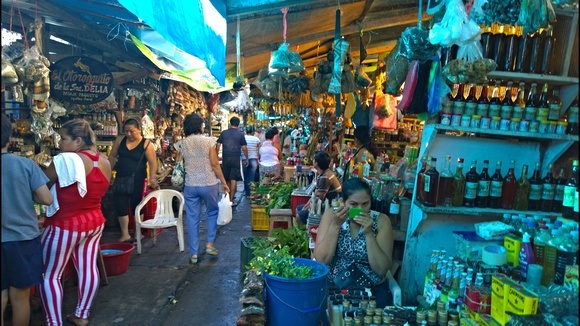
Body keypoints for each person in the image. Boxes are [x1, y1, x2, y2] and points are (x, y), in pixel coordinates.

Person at [40, 119, 112, 326]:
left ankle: (54, 322)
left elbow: (42, 187)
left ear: (78, 140)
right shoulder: (104, 161)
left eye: (63, 139)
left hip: (65, 224)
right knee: (88, 267)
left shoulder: (66, 159)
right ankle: (82, 315)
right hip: (94, 221)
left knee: (50, 275)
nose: (59, 143)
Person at [1, 114, 53, 326]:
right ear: (9, 136)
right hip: (22, 239)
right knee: (20, 296)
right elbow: (47, 199)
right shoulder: (25, 165)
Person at [313, 178, 394, 307]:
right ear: (343, 202)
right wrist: (335, 225)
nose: (360, 209)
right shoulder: (331, 216)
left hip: (371, 290)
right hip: (335, 288)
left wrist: (369, 233)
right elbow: (322, 259)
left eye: (365, 204)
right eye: (354, 204)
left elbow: (381, 269)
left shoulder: (381, 221)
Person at [174, 114, 230, 264]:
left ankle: (193, 253)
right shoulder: (209, 142)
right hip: (208, 184)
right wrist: (224, 182)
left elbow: (179, 163)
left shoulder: (182, 144)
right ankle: (210, 243)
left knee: (192, 218)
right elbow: (215, 164)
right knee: (212, 212)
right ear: (199, 126)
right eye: (203, 124)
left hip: (191, 185)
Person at [108, 117, 158, 243]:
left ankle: (138, 232)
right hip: (121, 177)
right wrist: (108, 173)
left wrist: (152, 178)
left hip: (138, 179)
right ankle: (125, 234)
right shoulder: (120, 140)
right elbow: (112, 156)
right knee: (121, 204)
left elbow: (153, 163)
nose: (129, 134)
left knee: (137, 204)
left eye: (132, 131)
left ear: (139, 130)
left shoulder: (147, 145)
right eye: (126, 131)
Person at [296, 151, 342, 225]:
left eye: (314, 160)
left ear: (316, 163)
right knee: (299, 209)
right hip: (323, 203)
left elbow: (318, 199)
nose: (313, 161)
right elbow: (316, 195)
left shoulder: (325, 177)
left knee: (299, 216)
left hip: (328, 207)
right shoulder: (325, 173)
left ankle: (306, 231)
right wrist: (305, 206)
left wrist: (306, 208)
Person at [216, 117, 248, 204]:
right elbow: (244, 148)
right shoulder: (240, 134)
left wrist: (215, 155)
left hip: (226, 157)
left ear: (230, 123)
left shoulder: (224, 133)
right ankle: (231, 200)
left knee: (226, 178)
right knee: (233, 178)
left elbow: (218, 144)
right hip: (235, 158)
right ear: (238, 124)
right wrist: (247, 158)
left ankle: (226, 197)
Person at [243, 126, 261, 197]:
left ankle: (247, 192)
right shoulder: (256, 139)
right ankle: (250, 193)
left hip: (244, 159)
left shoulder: (243, 138)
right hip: (254, 159)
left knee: (245, 176)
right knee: (251, 177)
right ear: (253, 132)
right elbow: (259, 149)